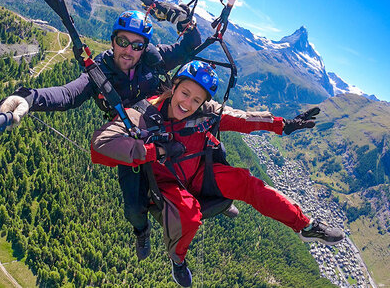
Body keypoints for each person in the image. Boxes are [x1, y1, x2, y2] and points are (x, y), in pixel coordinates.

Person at [90, 60, 345, 287]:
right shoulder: (144, 115)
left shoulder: (207, 113)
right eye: (185, 93)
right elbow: (100, 145)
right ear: (174, 87)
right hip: (167, 181)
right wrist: (154, 150)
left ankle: (305, 226)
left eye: (196, 100)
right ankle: (178, 260)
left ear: (203, 102)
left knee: (247, 183)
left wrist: (283, 125)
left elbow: (243, 119)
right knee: (189, 216)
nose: (187, 103)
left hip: (201, 172)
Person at [0, 8, 203, 260]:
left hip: (165, 126)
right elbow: (67, 94)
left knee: (205, 154)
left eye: (137, 45)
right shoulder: (99, 71)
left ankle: (219, 195)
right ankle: (142, 230)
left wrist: (181, 21)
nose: (129, 50)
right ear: (113, 41)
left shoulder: (152, 59)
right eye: (123, 42)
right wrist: (27, 98)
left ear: (144, 48)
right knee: (134, 208)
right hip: (130, 138)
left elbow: (189, 46)